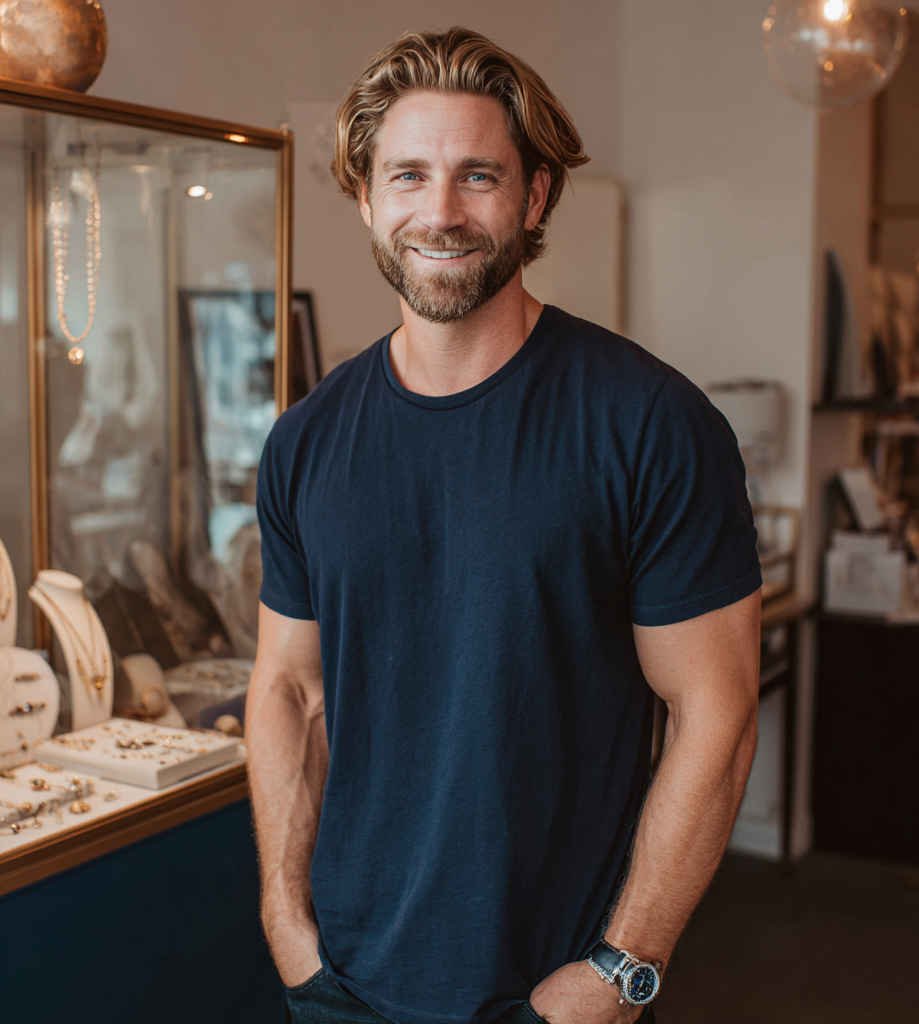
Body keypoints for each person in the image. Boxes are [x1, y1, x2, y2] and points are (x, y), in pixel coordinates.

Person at [245, 26, 761, 1024]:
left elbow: (718, 713)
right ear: (365, 195)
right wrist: (284, 914)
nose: (439, 212)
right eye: (407, 176)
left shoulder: (650, 425)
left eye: (476, 176)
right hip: (341, 983)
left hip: (550, 992)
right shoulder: (305, 442)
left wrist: (625, 966)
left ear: (532, 199)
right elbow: (286, 685)